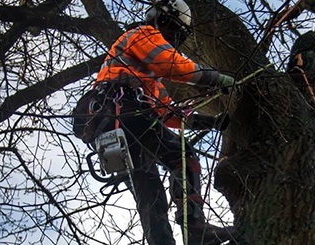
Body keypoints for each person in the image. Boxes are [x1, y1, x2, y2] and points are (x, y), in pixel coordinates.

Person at [91, 0, 236, 244]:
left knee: (151, 196)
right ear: (162, 20)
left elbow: (168, 113)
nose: (171, 38)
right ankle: (195, 226)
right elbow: (171, 64)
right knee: (183, 156)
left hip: (120, 126)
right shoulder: (142, 34)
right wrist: (215, 78)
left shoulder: (146, 82)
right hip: (125, 113)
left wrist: (209, 123)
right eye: (172, 30)